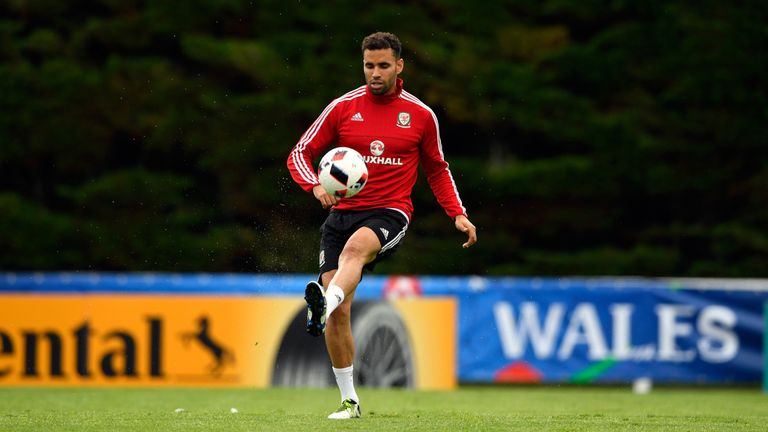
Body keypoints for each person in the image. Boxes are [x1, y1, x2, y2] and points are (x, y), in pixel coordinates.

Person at [286, 31, 477, 419]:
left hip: (390, 212)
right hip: (340, 215)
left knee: (356, 250)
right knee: (339, 316)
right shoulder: (343, 107)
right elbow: (300, 152)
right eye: (369, 65)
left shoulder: (421, 115)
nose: (375, 72)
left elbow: (437, 168)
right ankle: (349, 401)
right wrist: (313, 186)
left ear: (399, 66)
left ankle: (324, 302)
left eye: (383, 65)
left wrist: (456, 212)